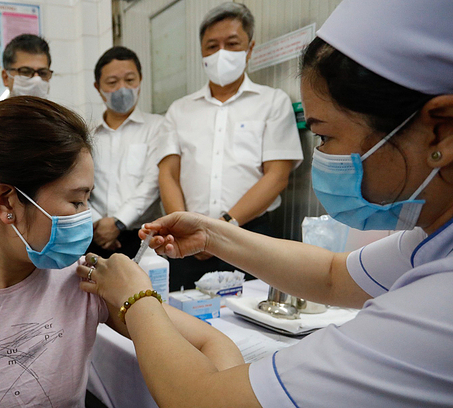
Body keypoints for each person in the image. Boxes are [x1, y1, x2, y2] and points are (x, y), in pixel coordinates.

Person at [77, 0, 453, 406]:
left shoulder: (439, 305)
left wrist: (136, 297)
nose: (322, 158)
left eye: (325, 138)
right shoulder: (430, 242)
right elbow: (331, 275)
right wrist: (211, 233)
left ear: (441, 133)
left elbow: (203, 399)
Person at [0, 96, 237, 407]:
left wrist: (139, 298)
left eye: (88, 199)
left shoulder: (84, 281)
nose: (86, 218)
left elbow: (212, 343)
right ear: (5, 201)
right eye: (76, 202)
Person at [156, 3, 303, 290]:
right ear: (201, 52)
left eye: (232, 43)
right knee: (184, 320)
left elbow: (277, 175)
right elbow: (168, 174)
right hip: (186, 243)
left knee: (251, 322)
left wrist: (221, 229)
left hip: (249, 237)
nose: (221, 52)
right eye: (212, 45)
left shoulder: (272, 102)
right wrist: (185, 228)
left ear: (249, 49)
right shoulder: (179, 110)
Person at [88, 46, 164, 259]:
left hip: (141, 237)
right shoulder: (86, 134)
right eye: (112, 83)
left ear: (140, 80)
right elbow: (75, 185)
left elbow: (153, 183)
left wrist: (118, 222)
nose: (122, 88)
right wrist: (96, 223)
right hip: (94, 237)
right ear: (98, 86)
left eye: (130, 80)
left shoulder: (158, 127)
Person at [0, 34, 52, 99]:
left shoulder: (58, 109)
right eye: (26, 72)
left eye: (42, 73)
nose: (36, 80)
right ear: (5, 77)